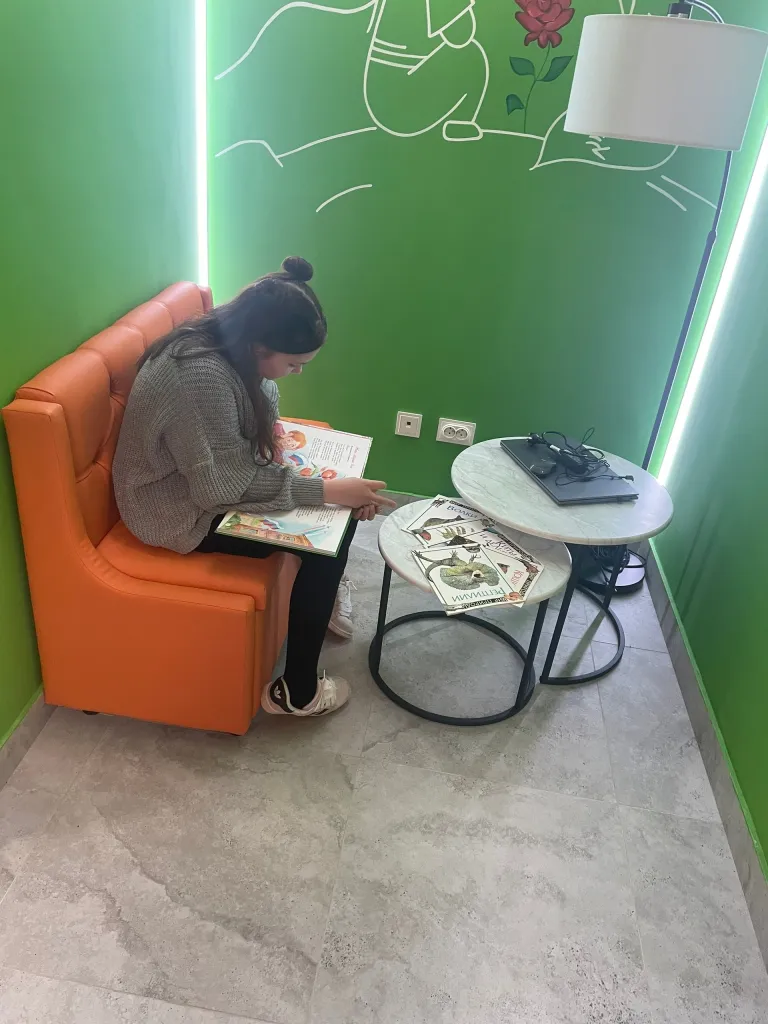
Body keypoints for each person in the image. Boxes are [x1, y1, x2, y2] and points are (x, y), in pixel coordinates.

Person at [113, 257, 394, 717]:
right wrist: (328, 492)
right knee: (326, 544)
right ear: (260, 345)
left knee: (338, 516)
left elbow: (257, 406)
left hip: (210, 478)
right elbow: (220, 490)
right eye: (293, 363)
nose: (298, 372)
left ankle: (322, 596)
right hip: (176, 509)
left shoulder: (230, 340)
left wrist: (292, 454)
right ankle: (298, 694)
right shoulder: (199, 374)